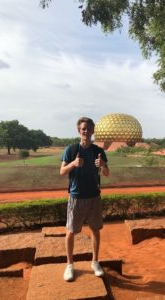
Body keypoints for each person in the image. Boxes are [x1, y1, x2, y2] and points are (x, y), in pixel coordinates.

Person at [60, 117, 109, 282]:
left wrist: (102, 165)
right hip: (76, 197)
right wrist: (73, 163)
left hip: (94, 196)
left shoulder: (98, 151)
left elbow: (107, 173)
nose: (86, 132)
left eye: (89, 129)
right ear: (79, 131)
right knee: (71, 231)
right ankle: (70, 265)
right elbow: (62, 171)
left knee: (95, 230)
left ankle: (95, 262)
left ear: (93, 130)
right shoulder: (72, 149)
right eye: (83, 129)